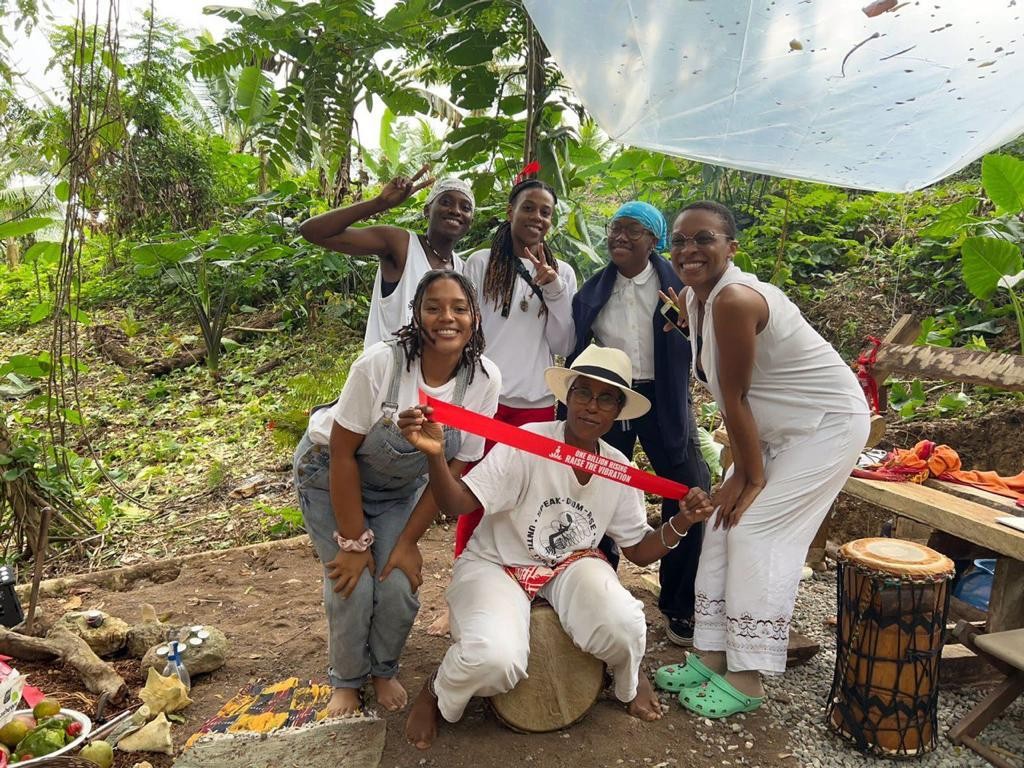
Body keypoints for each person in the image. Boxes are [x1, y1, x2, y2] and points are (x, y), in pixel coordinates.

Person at [398, 345, 715, 749]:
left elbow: (637, 551)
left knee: (625, 625)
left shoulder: (618, 467)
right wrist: (436, 458)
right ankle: (436, 689)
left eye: (606, 399)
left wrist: (682, 521)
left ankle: (628, 680)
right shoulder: (528, 443)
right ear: (568, 396)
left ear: (618, 411)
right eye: (583, 392)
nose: (591, 406)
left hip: (570, 564)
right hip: (497, 563)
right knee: (493, 659)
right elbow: (457, 504)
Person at [654, 201, 870, 719]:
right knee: (719, 526)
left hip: (825, 426)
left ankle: (747, 676)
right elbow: (728, 382)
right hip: (774, 430)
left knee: (754, 531)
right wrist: (684, 318)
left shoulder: (734, 299)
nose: (688, 250)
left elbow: (734, 397)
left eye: (703, 239)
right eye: (679, 240)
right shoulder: (696, 297)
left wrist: (750, 479)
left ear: (732, 247)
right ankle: (711, 654)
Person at [292, 270, 501, 717]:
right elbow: (343, 454)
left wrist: (407, 541)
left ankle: (383, 670)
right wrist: (353, 543)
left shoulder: (483, 380)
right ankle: (347, 680)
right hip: (330, 474)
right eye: (433, 307)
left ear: (475, 318)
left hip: (399, 489)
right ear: (417, 316)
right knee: (352, 581)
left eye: (459, 308)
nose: (447, 318)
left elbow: (454, 467)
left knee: (398, 582)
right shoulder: (380, 365)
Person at [427, 177, 578, 636]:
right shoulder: (480, 263)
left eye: (546, 212)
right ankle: (461, 598)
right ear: (510, 211)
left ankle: (524, 591)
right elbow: (465, 331)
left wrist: (553, 289)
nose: (537, 218)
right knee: (475, 498)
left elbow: (564, 344)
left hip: (537, 406)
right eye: (529, 207)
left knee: (529, 501)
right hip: (485, 402)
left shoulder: (563, 273)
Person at [568, 200, 711, 646]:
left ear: (654, 239)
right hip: (610, 399)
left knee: (688, 488)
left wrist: (691, 325)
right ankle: (595, 590)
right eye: (615, 229)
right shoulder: (593, 291)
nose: (620, 237)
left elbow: (708, 341)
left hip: (665, 398)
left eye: (632, 230)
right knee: (594, 487)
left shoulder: (683, 288)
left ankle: (679, 604)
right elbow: (577, 346)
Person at [299, 166, 476, 349]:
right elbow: (312, 231)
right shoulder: (401, 245)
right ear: (427, 210)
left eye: (465, 207)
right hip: (386, 367)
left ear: (471, 221)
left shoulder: (464, 270)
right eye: (446, 202)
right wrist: (379, 203)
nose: (455, 211)